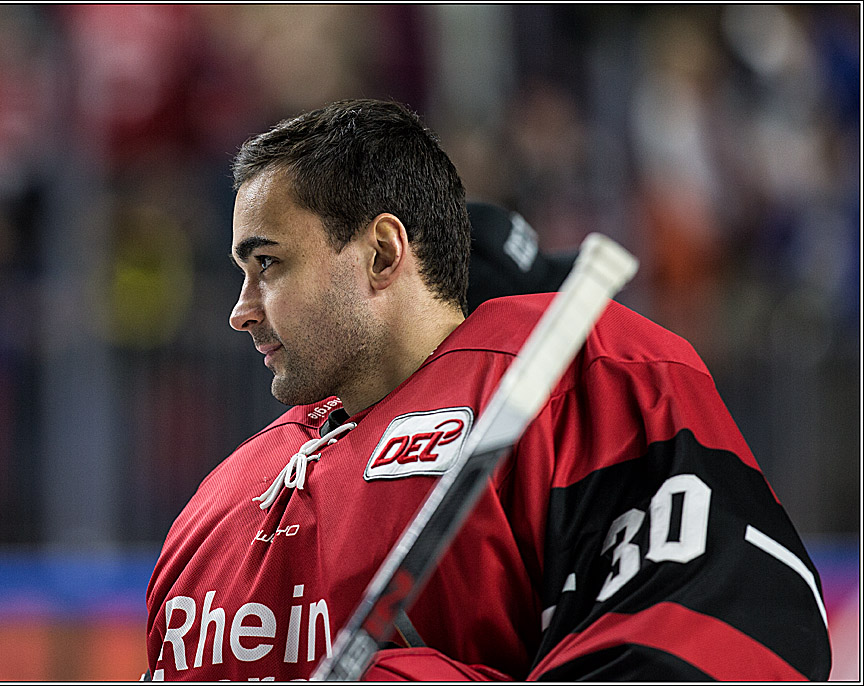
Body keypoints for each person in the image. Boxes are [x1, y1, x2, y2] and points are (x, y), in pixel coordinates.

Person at [145, 99, 831, 681]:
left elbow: (730, 634)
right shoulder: (217, 503)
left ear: (384, 254)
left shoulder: (586, 379)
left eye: (268, 264)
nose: (239, 310)